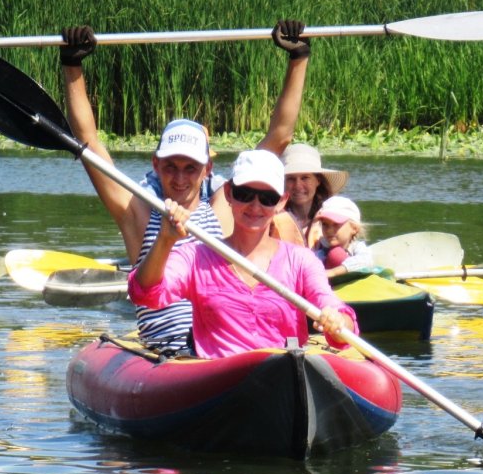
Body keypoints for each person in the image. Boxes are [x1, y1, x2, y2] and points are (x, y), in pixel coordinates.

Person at [61, 20, 311, 353]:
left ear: (207, 168)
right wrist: (72, 65)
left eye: (190, 168)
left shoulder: (226, 207)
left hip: (223, 348)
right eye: (170, 167)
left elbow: (279, 138)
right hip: (169, 353)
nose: (179, 179)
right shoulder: (136, 212)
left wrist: (298, 58)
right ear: (155, 164)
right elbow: (89, 142)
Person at [128, 149, 358, 359]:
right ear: (228, 193)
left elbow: (335, 309)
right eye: (245, 193)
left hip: (282, 370)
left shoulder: (301, 261)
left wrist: (339, 322)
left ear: (281, 202)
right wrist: (164, 240)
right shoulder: (195, 256)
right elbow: (145, 294)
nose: (255, 206)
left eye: (267, 198)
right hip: (219, 377)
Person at [279, 143, 349, 246]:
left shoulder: (332, 217)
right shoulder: (271, 218)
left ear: (318, 180)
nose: (298, 186)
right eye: (291, 179)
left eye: (305, 178)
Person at [312, 196, 373, 278]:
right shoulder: (323, 250)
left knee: (337, 254)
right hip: (330, 287)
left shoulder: (356, 247)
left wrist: (334, 272)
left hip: (353, 286)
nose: (329, 230)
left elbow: (366, 260)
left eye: (336, 224)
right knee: (335, 254)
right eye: (325, 224)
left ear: (354, 228)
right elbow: (311, 263)